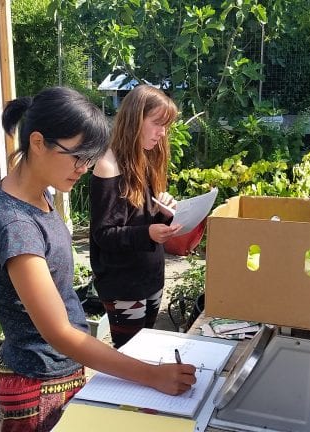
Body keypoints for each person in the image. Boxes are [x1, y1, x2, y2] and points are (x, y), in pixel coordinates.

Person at [0, 87, 196, 432]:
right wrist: (151, 375)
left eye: (89, 158)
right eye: (77, 156)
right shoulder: (17, 227)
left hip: (59, 371)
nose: (83, 168)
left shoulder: (36, 191)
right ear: (38, 142)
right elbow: (61, 333)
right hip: (39, 384)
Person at [89, 85, 182, 348]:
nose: (162, 133)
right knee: (130, 357)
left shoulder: (145, 157)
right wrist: (148, 232)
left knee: (145, 349)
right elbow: (104, 234)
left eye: (166, 126)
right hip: (124, 286)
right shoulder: (108, 166)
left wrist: (163, 215)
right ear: (134, 119)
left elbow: (144, 221)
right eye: (157, 124)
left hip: (150, 277)